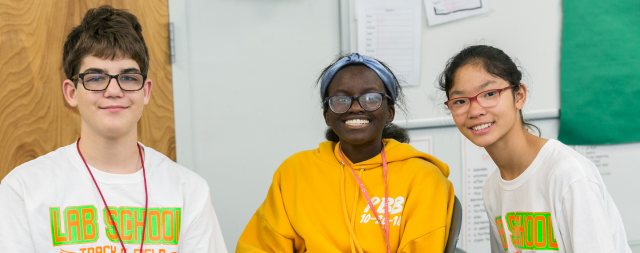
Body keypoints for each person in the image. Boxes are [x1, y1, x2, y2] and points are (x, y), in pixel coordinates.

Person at [0, 5, 227, 253]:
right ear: (72, 93)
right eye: (96, 78)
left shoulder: (189, 191)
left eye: (128, 77)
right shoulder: (24, 189)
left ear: (146, 91)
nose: (114, 91)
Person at [236, 53, 454, 253]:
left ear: (389, 112)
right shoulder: (294, 172)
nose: (356, 107)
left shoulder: (424, 178)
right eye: (340, 100)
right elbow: (258, 247)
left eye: (371, 98)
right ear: (327, 116)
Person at [438, 45, 631, 253]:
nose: (475, 110)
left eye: (490, 93)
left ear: (519, 96)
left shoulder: (568, 174)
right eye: (460, 101)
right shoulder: (492, 189)